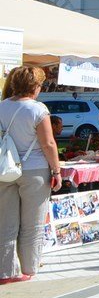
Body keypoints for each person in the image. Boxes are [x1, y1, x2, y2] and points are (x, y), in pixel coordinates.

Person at [0, 66, 63, 284]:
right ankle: (28, 269)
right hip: (34, 170)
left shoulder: (1, 107)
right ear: (35, 86)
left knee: (6, 224)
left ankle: (6, 271)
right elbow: (48, 143)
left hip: (5, 170)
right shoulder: (38, 110)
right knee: (32, 225)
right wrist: (56, 170)